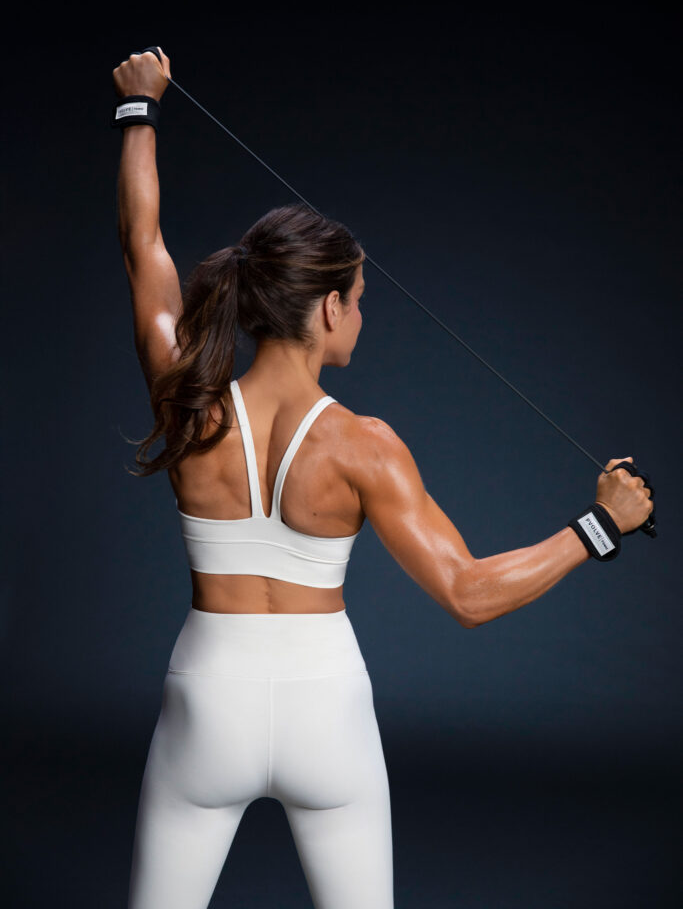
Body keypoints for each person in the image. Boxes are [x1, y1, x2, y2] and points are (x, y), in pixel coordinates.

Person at [112, 48, 654, 909]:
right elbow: (468, 594)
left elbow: (143, 245)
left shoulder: (189, 402)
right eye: (359, 297)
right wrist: (601, 526)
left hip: (204, 704)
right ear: (327, 308)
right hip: (325, 710)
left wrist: (138, 109)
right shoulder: (363, 446)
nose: (361, 312)